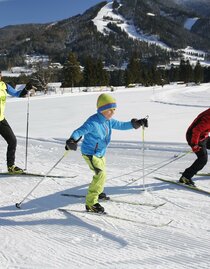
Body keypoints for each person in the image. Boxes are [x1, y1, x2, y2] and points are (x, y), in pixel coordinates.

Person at [65, 93, 148, 213]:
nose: (113, 113)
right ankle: (91, 203)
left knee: (102, 175)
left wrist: (136, 123)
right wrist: (72, 140)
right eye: (110, 110)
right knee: (100, 174)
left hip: (100, 153)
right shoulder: (93, 122)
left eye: (114, 109)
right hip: (90, 153)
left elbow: (121, 125)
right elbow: (79, 131)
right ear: (102, 109)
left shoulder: (108, 120)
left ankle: (98, 193)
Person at [0, 70, 33, 174]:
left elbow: (17, 93)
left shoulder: (4, 86)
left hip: (1, 119)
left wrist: (26, 89)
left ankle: (11, 167)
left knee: (12, 141)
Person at [179, 108, 210, 186]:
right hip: (194, 137)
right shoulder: (209, 117)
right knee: (202, 159)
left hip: (203, 136)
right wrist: (194, 145)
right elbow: (197, 130)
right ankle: (185, 177)